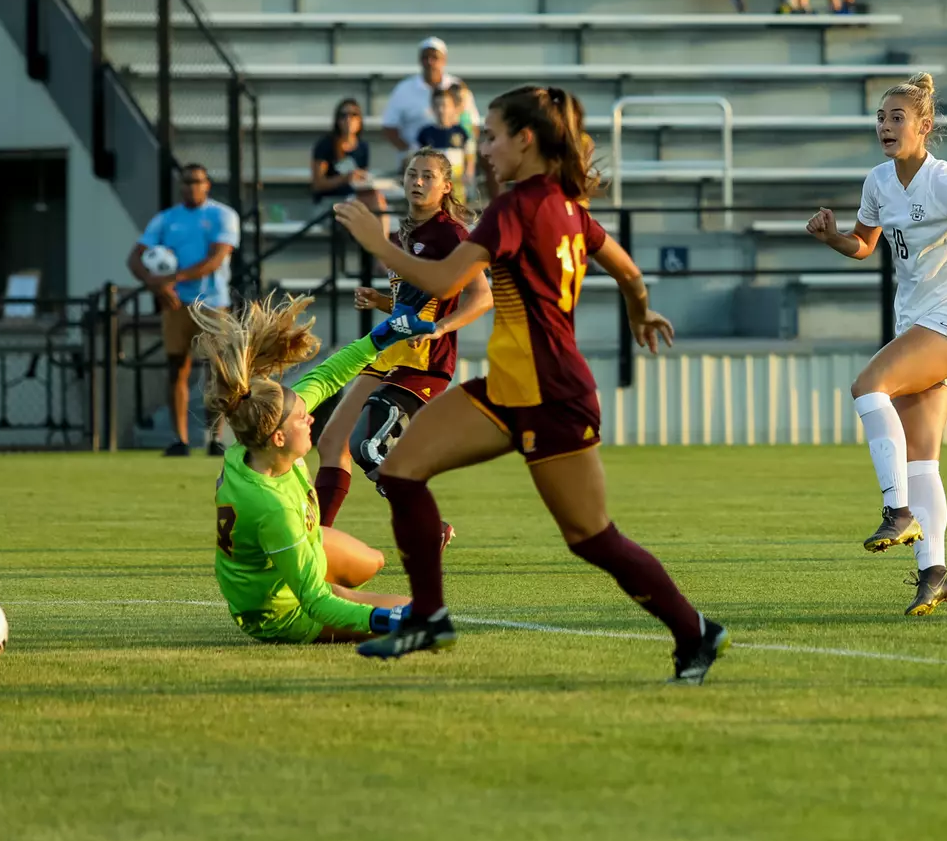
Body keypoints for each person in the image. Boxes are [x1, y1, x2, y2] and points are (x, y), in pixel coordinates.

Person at [331, 84, 729, 684]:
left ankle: (695, 632)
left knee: (591, 537)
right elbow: (624, 266)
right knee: (399, 471)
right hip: (510, 389)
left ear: (525, 139)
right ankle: (430, 616)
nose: (483, 148)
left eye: (490, 136)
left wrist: (375, 242)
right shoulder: (566, 207)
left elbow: (442, 281)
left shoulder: (517, 208)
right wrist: (639, 309)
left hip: (553, 397)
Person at [805, 73, 947, 615]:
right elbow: (864, 245)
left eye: (897, 118)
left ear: (924, 127)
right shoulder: (879, 182)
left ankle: (897, 512)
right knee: (921, 459)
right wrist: (833, 236)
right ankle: (934, 570)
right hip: (917, 323)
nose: (886, 126)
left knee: (867, 386)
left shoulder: (946, 180)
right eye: (881, 118)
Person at [200, 293, 438, 644]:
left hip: (287, 552)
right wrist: (383, 619)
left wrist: (384, 335)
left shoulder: (258, 437)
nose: (309, 416)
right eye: (302, 418)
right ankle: (320, 590)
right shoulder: (273, 507)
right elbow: (315, 603)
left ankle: (311, 577)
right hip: (276, 612)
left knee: (373, 562)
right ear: (280, 438)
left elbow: (328, 377)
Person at [312, 148, 492, 527]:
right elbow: (410, 307)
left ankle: (428, 526)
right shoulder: (398, 236)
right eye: (412, 174)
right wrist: (380, 301)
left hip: (422, 363)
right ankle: (319, 544)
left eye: (428, 176)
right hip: (386, 354)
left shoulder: (452, 234)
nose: (418, 181)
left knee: (366, 446)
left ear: (446, 186)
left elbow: (482, 297)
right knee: (331, 444)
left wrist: (440, 329)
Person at [127, 164, 238, 457]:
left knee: (218, 370)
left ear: (207, 184)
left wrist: (172, 279)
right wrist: (155, 284)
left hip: (212, 302)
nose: (191, 187)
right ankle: (180, 439)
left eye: (196, 181)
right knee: (177, 368)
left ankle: (216, 438)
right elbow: (135, 258)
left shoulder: (222, 215)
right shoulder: (167, 219)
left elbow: (216, 259)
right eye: (186, 182)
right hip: (176, 304)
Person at [310, 98, 389, 242]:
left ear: (360, 120)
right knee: (368, 217)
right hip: (329, 203)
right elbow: (318, 184)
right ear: (337, 120)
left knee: (376, 199)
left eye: (354, 115)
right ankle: (382, 258)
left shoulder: (362, 147)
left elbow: (361, 185)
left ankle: (381, 258)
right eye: (343, 115)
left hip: (354, 201)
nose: (348, 119)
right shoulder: (325, 145)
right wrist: (345, 178)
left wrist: (364, 179)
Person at [381, 37, 476, 156]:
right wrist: (409, 152)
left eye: (435, 57)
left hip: (455, 163)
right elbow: (389, 126)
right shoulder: (403, 89)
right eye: (425, 57)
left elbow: (472, 124)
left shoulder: (458, 87)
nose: (430, 62)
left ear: (444, 60)